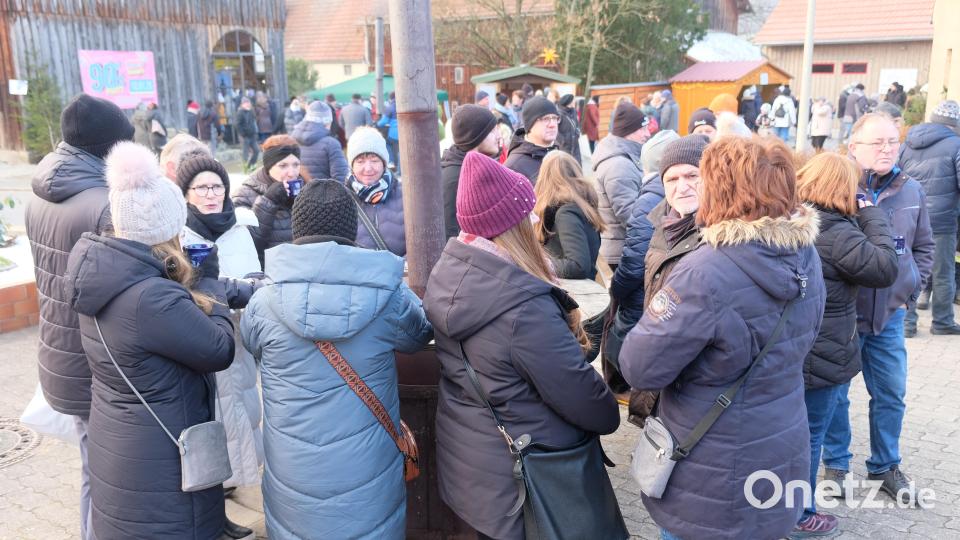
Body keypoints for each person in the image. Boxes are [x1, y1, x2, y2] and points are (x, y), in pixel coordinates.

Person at [620, 136, 826, 540]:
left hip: (711, 464)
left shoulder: (704, 271)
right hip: (780, 439)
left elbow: (639, 367)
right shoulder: (805, 254)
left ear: (722, 189)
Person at [422, 151, 620, 539]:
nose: (535, 220)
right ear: (510, 226)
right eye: (528, 213)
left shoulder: (449, 274)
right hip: (524, 478)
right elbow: (588, 402)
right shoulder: (522, 308)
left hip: (473, 468)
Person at [63, 141, 243, 540]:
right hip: (162, 464)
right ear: (166, 228)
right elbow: (219, 348)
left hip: (121, 449)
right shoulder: (152, 298)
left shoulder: (103, 274)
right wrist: (209, 277)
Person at [240, 179, 432, 539]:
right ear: (351, 227)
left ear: (298, 227)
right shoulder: (387, 295)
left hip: (292, 471)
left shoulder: (264, 302)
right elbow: (419, 333)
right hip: (367, 468)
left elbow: (251, 343)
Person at [24, 93, 134, 540]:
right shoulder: (103, 205)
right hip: (94, 361)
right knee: (105, 477)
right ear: (108, 148)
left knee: (93, 465)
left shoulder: (39, 195)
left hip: (59, 353)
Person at [822, 113, 935, 505]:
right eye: (877, 142)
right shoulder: (836, 188)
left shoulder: (912, 190)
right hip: (843, 318)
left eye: (892, 141)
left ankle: (885, 466)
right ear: (853, 147)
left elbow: (924, 246)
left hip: (889, 316)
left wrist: (910, 285)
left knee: (890, 393)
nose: (887, 148)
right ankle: (836, 464)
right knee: (836, 394)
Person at [791, 152, 899, 537]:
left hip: (788, 352)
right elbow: (886, 267)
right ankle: (800, 516)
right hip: (823, 355)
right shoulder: (839, 233)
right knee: (809, 436)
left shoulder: (792, 220)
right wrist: (871, 212)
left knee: (786, 432)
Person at [615, 134, 710, 423]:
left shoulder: (719, 235)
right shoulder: (661, 224)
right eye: (672, 179)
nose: (682, 187)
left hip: (695, 382)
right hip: (662, 371)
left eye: (692, 175)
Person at [899, 100, 960, 335]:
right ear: (953, 124)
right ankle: (942, 322)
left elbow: (896, 177)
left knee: (909, 269)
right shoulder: (956, 144)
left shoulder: (907, 143)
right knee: (943, 273)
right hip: (941, 220)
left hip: (909, 217)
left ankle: (907, 323)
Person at [593, 102, 650, 270]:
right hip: (620, 253)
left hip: (621, 249)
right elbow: (630, 215)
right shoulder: (619, 166)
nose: (648, 134)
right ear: (628, 131)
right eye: (643, 128)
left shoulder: (624, 158)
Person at [233, 135, 308, 261]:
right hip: (267, 273)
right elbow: (245, 244)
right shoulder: (244, 194)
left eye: (296, 165)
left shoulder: (306, 188)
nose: (292, 173)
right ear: (269, 167)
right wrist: (268, 201)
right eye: (283, 166)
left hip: (303, 266)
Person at [533, 151, 604, 279]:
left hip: (572, 293)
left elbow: (578, 266)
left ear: (544, 177)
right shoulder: (581, 205)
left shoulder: (566, 213)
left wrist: (540, 263)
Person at [441, 104, 501, 239]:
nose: (499, 136)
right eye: (492, 131)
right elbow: (451, 233)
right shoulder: (456, 177)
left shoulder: (479, 167)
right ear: (475, 136)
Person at [346, 127, 407, 255]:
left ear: (384, 163)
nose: (368, 168)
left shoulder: (406, 195)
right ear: (351, 166)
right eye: (360, 161)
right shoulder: (341, 199)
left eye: (374, 160)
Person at [504, 96, 560, 184]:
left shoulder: (558, 153)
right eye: (546, 119)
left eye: (555, 118)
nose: (552, 124)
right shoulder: (514, 166)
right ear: (530, 124)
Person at [292, 101, 350, 182]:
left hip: (299, 192)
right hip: (324, 193)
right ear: (328, 122)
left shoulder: (291, 139)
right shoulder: (331, 144)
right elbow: (341, 177)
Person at [377, 92, 401, 175]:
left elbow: (382, 123)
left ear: (390, 99)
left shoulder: (390, 108)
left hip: (394, 134)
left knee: (387, 144)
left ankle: (391, 162)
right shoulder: (404, 103)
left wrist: (377, 123)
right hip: (405, 133)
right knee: (401, 151)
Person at [555, 94, 582, 164]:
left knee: (577, 166)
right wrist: (562, 141)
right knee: (566, 167)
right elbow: (555, 130)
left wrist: (578, 133)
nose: (575, 102)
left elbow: (577, 124)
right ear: (568, 102)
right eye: (573, 100)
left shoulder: (574, 111)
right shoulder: (558, 114)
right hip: (564, 147)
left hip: (575, 145)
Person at [235, 98, 259, 172]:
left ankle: (251, 165)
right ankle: (245, 168)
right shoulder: (240, 112)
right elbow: (237, 125)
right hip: (245, 136)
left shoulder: (251, 111)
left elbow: (254, 122)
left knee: (256, 151)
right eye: (246, 103)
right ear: (242, 104)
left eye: (248, 103)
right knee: (245, 153)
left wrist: (255, 132)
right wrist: (243, 134)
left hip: (252, 135)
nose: (248, 104)